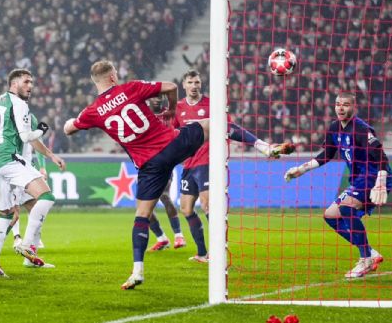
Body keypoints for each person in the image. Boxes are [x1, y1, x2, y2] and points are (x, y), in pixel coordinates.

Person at [64, 60, 208, 290]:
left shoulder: (93, 111)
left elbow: (68, 129)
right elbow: (171, 86)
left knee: (142, 215)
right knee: (213, 124)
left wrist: (75, 120)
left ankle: (137, 270)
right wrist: (171, 109)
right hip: (171, 144)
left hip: (149, 164)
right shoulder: (130, 88)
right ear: (112, 77)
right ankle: (263, 146)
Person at [173, 70, 294, 263]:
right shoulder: (178, 107)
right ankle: (202, 253)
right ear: (184, 84)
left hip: (208, 162)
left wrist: (261, 145)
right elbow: (173, 133)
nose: (195, 86)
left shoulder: (212, 104)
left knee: (207, 204)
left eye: (197, 82)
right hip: (189, 164)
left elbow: (232, 129)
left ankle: (218, 251)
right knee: (186, 208)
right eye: (191, 82)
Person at [284, 92, 390, 278]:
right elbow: (327, 155)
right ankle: (371, 252)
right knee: (331, 216)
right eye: (338, 104)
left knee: (346, 208)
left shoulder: (361, 128)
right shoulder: (334, 128)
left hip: (374, 177)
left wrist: (380, 182)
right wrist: (301, 169)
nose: (341, 108)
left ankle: (365, 259)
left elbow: (380, 155)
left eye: (346, 104)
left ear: (353, 107)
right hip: (358, 180)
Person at [0, 69, 66, 277]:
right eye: (26, 81)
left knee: (7, 215)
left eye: (32, 82)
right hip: (8, 159)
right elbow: (27, 136)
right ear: (14, 83)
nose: (30, 86)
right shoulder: (19, 104)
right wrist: (43, 130)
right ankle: (26, 244)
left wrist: (50, 155)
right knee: (46, 196)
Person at [0, 108, 51, 269]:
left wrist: (42, 166)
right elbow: (37, 142)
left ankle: (28, 256)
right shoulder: (16, 116)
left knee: (34, 207)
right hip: (15, 169)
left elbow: (37, 142)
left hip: (22, 167)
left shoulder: (27, 116)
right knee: (14, 214)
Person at [145, 96, 185, 251]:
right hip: (148, 165)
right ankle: (162, 239)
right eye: (153, 97)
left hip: (165, 162)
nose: (157, 100)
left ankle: (178, 236)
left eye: (159, 97)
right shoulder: (143, 116)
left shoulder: (169, 115)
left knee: (165, 195)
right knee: (143, 208)